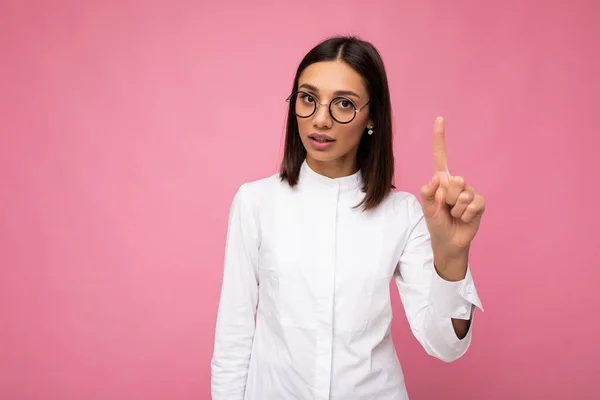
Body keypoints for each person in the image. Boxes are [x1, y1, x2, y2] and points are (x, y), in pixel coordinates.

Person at [210, 35, 485, 400]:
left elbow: (445, 346)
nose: (320, 119)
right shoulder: (255, 202)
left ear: (372, 116)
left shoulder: (402, 213)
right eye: (308, 99)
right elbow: (234, 335)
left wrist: (452, 257)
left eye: (343, 104)